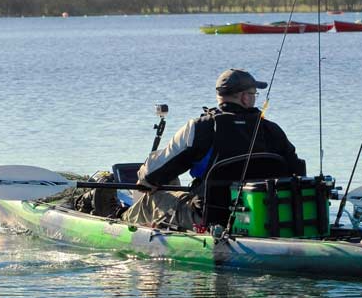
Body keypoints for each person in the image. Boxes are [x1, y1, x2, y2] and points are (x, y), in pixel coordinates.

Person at [122, 68, 305, 229]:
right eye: (254, 94)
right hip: (265, 216)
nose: (255, 98)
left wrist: (145, 179)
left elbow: (152, 174)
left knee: (151, 198)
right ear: (244, 97)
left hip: (209, 218)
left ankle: (118, 220)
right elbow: (297, 172)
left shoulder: (201, 127)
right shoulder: (272, 130)